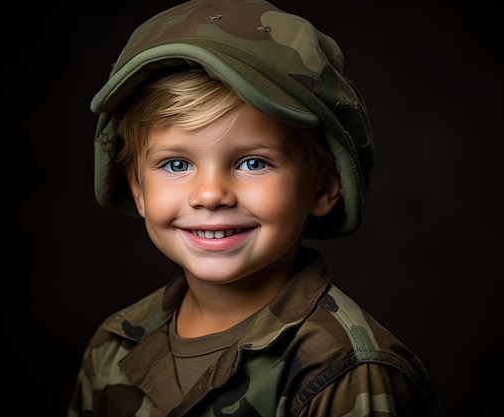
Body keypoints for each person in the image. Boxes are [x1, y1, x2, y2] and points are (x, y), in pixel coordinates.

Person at [66, 0, 443, 415]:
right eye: (176, 164)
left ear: (322, 187)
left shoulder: (346, 373)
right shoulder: (115, 343)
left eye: (253, 163)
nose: (209, 195)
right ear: (137, 188)